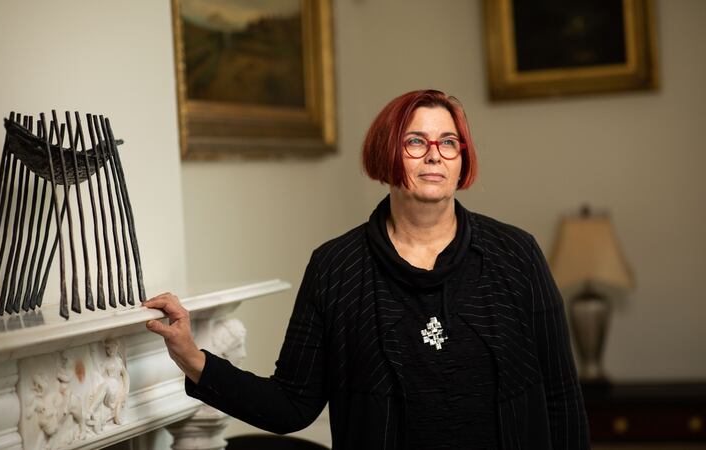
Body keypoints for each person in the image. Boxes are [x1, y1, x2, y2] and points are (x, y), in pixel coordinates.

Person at [145, 89, 589, 449]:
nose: (434, 155)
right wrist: (192, 357)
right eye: (416, 141)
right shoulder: (336, 267)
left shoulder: (516, 254)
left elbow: (560, 396)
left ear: (462, 159)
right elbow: (291, 404)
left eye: (448, 142)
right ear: (387, 154)